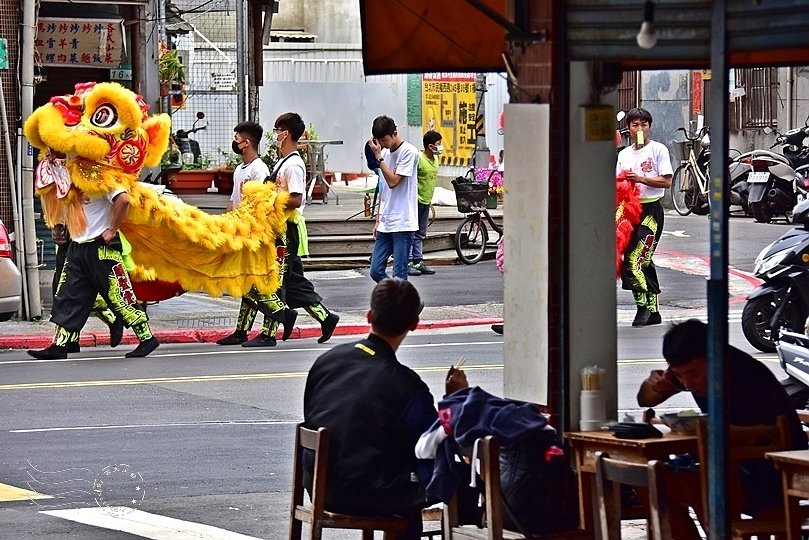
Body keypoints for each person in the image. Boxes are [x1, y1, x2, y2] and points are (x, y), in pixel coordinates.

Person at [303, 278, 460, 539]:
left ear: (369, 316)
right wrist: (456, 399)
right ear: (414, 324)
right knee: (449, 478)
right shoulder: (405, 384)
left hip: (320, 485)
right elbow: (433, 442)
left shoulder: (327, 361)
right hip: (371, 491)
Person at [638, 319, 807, 515]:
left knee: (680, 484)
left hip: (775, 471)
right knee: (652, 482)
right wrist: (655, 385)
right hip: (733, 467)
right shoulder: (687, 372)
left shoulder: (744, 374)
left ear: (713, 357)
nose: (687, 382)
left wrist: (700, 432)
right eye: (679, 375)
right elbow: (645, 399)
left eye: (692, 374)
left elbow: (753, 434)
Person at [222, 113, 338, 347]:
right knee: (284, 282)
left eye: (277, 131)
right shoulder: (283, 162)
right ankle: (325, 318)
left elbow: (296, 198)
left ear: (285, 133)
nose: (274, 135)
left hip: (285, 230)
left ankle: (268, 333)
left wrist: (269, 200)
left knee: (271, 282)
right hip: (274, 228)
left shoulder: (293, 165)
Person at [27, 171, 159, 360]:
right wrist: (61, 227)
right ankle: (61, 345)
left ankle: (147, 339)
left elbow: (123, 200)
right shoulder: (68, 177)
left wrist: (112, 229)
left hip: (101, 248)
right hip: (77, 247)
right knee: (67, 295)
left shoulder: (101, 175)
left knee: (119, 296)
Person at [217, 121, 299, 347]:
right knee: (246, 282)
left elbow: (260, 205)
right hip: (241, 230)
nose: (235, 142)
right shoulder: (239, 170)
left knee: (260, 283)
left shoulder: (259, 170)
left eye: (237, 138)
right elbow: (234, 202)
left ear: (247, 143)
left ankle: (279, 319)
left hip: (259, 232)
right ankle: (242, 330)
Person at [615, 107, 673, 327]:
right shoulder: (624, 154)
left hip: (651, 211)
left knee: (636, 259)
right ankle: (650, 309)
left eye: (644, 124)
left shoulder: (658, 150)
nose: (640, 128)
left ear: (649, 126)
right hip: (628, 211)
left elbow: (666, 181)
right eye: (635, 124)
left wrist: (640, 179)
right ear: (629, 128)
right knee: (634, 260)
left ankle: (645, 309)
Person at [51, 223, 122, 352]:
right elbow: (56, 212)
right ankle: (71, 341)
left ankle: (113, 319)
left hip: (87, 241)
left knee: (72, 295)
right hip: (68, 243)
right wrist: (55, 227)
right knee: (62, 293)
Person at [368, 116, 419, 282]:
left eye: (384, 140)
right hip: (386, 221)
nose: (382, 144)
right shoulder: (383, 153)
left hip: (403, 221)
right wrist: (378, 219)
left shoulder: (409, 152)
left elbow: (393, 182)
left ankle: (404, 305)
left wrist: (379, 158)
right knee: (375, 270)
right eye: (379, 141)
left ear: (394, 133)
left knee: (399, 275)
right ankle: (404, 298)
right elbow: (384, 190)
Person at [407, 130, 442, 277]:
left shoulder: (435, 159)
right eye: (439, 144)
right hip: (415, 200)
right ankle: (408, 262)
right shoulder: (419, 160)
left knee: (421, 233)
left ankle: (418, 261)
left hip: (426, 201)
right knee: (411, 232)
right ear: (430, 146)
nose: (441, 147)